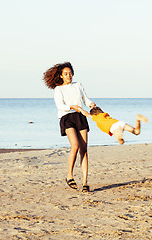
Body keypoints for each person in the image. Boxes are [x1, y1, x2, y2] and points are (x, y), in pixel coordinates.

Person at [43, 62, 96, 192]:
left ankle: (85, 183)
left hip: (80, 117)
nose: (69, 76)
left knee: (84, 150)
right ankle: (69, 176)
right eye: (66, 74)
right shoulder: (58, 89)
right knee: (75, 146)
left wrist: (91, 104)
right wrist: (72, 107)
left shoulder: (78, 85)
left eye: (70, 73)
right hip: (67, 117)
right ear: (61, 76)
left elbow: (85, 99)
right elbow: (60, 106)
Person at [78, 106, 148, 145]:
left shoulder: (95, 117)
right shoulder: (104, 114)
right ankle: (138, 120)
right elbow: (95, 109)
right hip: (119, 122)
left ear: (94, 114)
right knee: (136, 132)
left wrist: (80, 109)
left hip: (114, 127)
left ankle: (120, 136)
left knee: (120, 140)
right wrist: (93, 105)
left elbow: (86, 113)